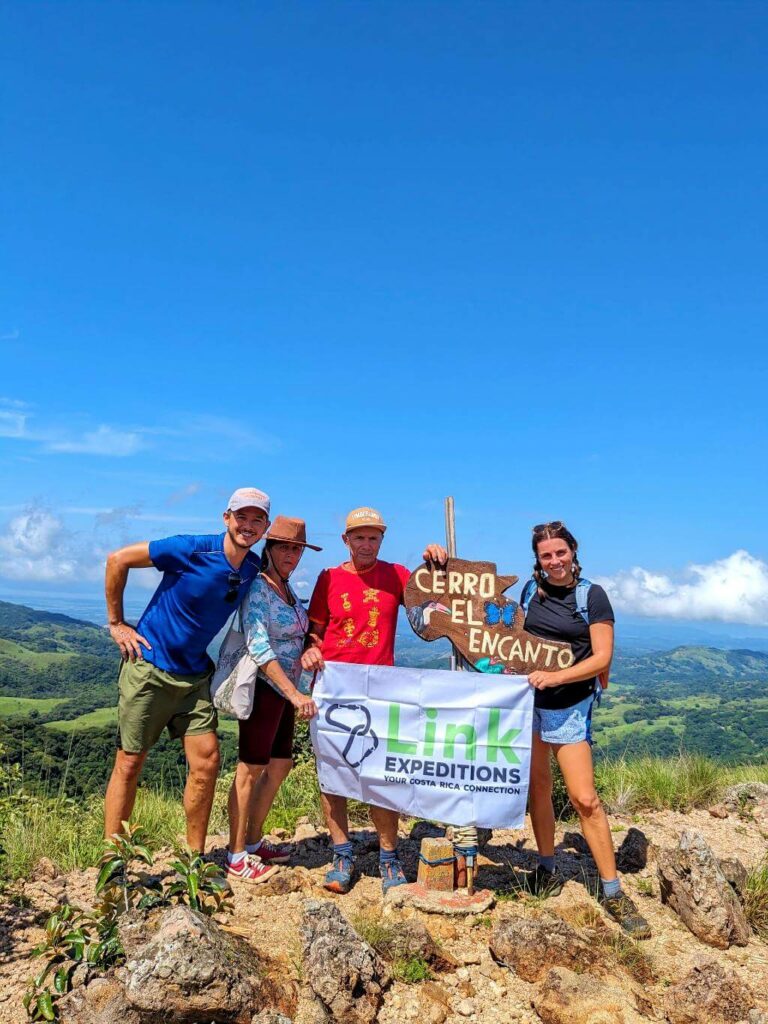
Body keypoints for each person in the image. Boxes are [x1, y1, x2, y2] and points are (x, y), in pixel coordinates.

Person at [103, 488, 271, 853]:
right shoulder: (191, 548)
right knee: (130, 763)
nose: (248, 525)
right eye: (241, 516)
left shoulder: (253, 567)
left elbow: (283, 580)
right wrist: (116, 622)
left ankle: (194, 859)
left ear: (265, 527)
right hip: (150, 667)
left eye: (257, 519)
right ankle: (112, 862)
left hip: (195, 676)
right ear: (226, 518)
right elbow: (118, 559)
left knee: (208, 761)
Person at [301, 506, 447, 895]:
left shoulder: (395, 574)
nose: (366, 544)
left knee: (384, 774)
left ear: (382, 540)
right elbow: (314, 631)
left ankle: (388, 856)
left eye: (374, 537)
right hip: (334, 684)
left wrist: (435, 564)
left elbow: (431, 610)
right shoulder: (328, 577)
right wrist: (312, 652)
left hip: (382, 686)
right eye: (359, 537)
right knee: (333, 773)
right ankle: (342, 854)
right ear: (345, 540)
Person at [520, 521, 650, 938]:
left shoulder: (591, 595)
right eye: (546, 555)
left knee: (584, 798)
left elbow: (602, 657)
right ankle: (545, 867)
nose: (555, 561)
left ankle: (612, 889)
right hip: (527, 706)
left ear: (573, 551)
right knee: (538, 789)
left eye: (561, 552)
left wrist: (555, 678)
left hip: (567, 706)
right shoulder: (528, 592)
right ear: (537, 559)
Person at [226, 516, 320, 883]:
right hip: (266, 689)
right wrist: (295, 693)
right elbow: (259, 644)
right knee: (249, 768)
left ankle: (252, 841)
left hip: (287, 693)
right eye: (285, 547)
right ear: (270, 548)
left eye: (297, 549)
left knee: (279, 765)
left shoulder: (287, 589)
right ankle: (235, 854)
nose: (292, 555)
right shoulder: (260, 588)